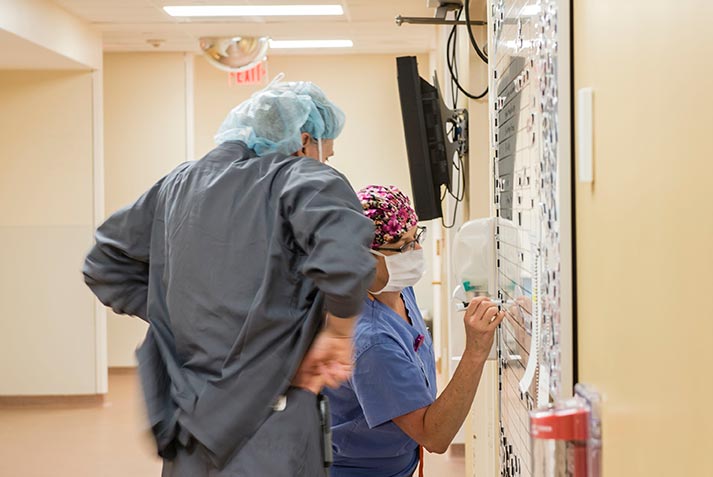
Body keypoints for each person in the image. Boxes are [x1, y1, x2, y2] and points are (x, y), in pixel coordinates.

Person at [82, 76, 376, 477]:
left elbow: (104, 262)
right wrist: (339, 334)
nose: (325, 160)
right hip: (269, 418)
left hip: (188, 415)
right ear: (304, 139)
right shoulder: (303, 178)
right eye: (326, 150)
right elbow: (345, 259)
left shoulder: (178, 184)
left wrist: (176, 311)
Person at [324, 185, 505, 477]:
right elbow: (434, 436)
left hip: (397, 461)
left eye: (415, 236)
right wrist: (475, 351)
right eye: (403, 245)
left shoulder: (395, 288)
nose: (417, 251)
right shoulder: (371, 341)